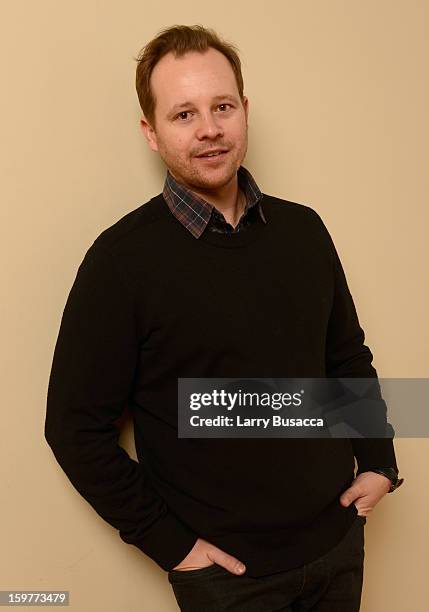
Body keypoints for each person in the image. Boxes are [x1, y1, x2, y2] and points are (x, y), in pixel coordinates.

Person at [45, 24, 404, 612]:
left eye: (222, 106)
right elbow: (73, 428)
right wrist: (175, 548)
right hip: (229, 582)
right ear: (151, 133)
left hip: (338, 547)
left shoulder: (304, 231)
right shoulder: (120, 261)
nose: (209, 128)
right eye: (182, 114)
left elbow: (345, 357)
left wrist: (381, 459)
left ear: (245, 112)